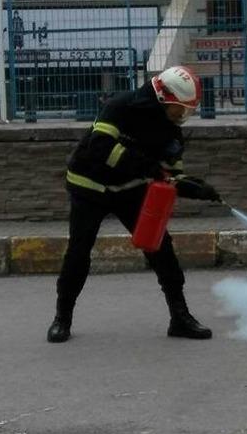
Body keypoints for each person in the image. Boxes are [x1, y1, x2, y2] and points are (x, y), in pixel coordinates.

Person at [47, 66, 221, 343]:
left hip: (130, 190)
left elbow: (169, 173)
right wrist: (149, 168)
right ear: (164, 97)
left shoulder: (172, 132)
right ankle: (62, 318)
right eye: (180, 108)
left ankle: (180, 317)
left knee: (162, 249)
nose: (183, 115)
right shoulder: (121, 106)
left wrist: (192, 186)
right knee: (78, 252)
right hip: (89, 186)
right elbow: (100, 147)